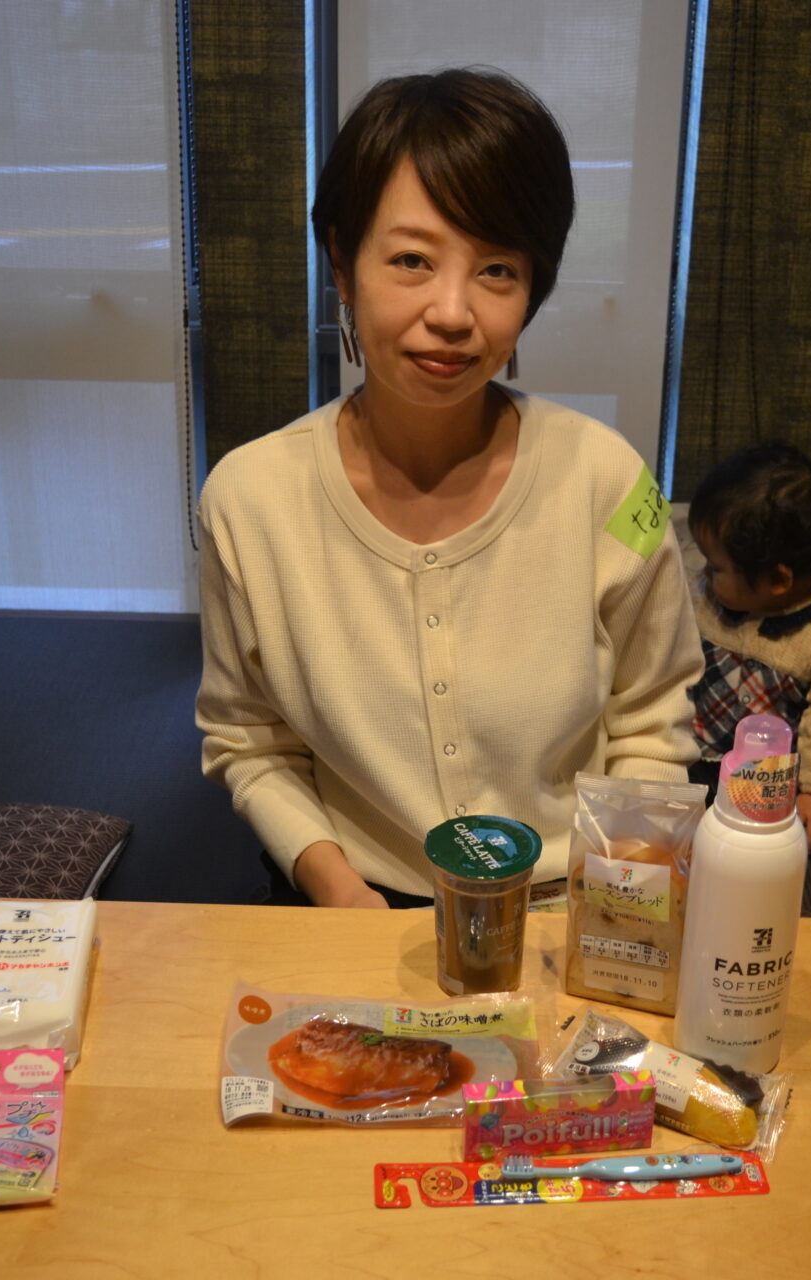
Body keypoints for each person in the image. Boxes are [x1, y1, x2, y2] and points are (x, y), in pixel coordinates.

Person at [196, 68, 703, 907]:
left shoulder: (610, 483)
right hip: (353, 904)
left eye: (497, 269)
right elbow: (250, 742)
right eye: (412, 260)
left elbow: (654, 716)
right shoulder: (248, 502)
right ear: (342, 264)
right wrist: (340, 894)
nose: (454, 312)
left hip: (570, 902)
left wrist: (611, 907)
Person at [685, 442, 811, 853]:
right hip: (706, 754)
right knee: (660, 782)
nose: (705, 573)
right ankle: (749, 836)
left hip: (778, 770)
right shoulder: (708, 596)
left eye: (717, 567)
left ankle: (780, 842)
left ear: (778, 580)